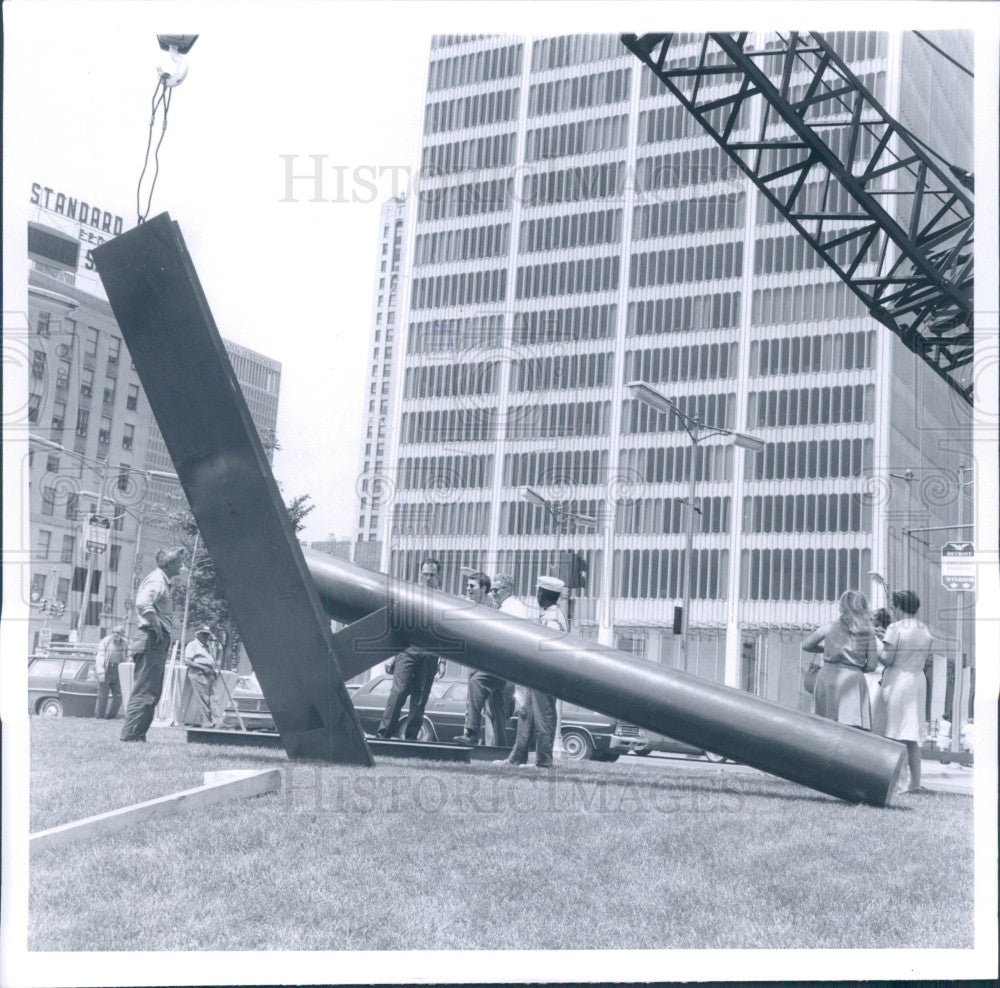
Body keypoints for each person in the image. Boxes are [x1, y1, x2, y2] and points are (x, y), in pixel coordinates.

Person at [120, 547, 185, 742]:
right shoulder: (158, 580)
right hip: (151, 637)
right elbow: (141, 603)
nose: (182, 566)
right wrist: (156, 626)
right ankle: (131, 736)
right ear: (171, 563)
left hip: (151, 639)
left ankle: (136, 735)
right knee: (146, 689)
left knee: (151, 690)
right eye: (179, 562)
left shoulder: (161, 580)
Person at [375, 557, 444, 740]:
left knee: (420, 698)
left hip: (430, 652)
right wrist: (391, 655)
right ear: (420, 575)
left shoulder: (444, 600)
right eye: (425, 574)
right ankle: (384, 734)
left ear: (438, 576)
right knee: (398, 691)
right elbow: (398, 626)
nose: (428, 578)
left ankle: (411, 738)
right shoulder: (409, 595)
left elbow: (446, 632)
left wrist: (442, 660)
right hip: (407, 650)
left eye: (432, 574)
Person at [873, 590, 932, 794]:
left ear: (898, 607)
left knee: (893, 731)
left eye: (893, 607)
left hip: (898, 680)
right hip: (917, 679)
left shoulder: (895, 627)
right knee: (910, 734)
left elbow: (887, 659)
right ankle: (915, 783)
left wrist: (876, 645)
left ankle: (896, 782)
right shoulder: (925, 629)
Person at [506, 575, 568, 768]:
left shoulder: (553, 619)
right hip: (536, 675)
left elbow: (550, 649)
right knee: (526, 715)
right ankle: (517, 757)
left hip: (545, 676)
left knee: (544, 718)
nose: (536, 595)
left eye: (538, 592)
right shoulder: (550, 615)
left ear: (542, 593)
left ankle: (544, 760)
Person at [455, 572, 523, 747]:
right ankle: (499, 746)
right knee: (497, 705)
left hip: (502, 663)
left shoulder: (510, 607)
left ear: (507, 590)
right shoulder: (504, 606)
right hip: (500, 662)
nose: (493, 593)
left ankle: (471, 732)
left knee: (477, 682)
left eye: (496, 590)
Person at [802, 589, 878, 729]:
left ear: (842, 606)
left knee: (824, 726)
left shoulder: (830, 627)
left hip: (828, 676)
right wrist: (856, 667)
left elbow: (806, 645)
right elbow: (872, 665)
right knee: (851, 728)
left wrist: (826, 649)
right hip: (853, 679)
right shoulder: (868, 632)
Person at [183, 626, 223, 727]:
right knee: (204, 699)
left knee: (214, 699)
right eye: (204, 634)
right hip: (198, 673)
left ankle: (218, 722)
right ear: (197, 634)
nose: (206, 636)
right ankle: (207, 723)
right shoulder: (193, 645)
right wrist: (202, 668)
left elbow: (217, 656)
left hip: (210, 673)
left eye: (207, 634)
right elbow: (187, 661)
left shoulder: (208, 646)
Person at [94, 625, 127, 719]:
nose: (116, 634)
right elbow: (100, 656)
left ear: (122, 634)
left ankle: (111, 716)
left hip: (118, 670)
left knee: (119, 696)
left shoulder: (125, 643)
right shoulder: (106, 641)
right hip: (106, 669)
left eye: (118, 633)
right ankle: (99, 716)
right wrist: (101, 672)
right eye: (114, 632)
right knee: (102, 695)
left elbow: (128, 656)